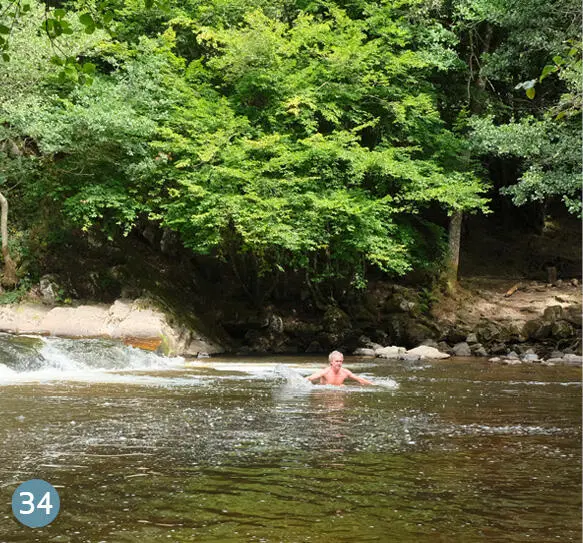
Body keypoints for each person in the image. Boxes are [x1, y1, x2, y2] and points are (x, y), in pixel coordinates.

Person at [306, 350, 374, 386]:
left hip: (339, 390)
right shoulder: (325, 372)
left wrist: (373, 384)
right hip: (325, 392)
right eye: (337, 361)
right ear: (331, 362)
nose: (339, 363)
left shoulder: (345, 372)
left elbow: (359, 379)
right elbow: (310, 378)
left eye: (341, 361)